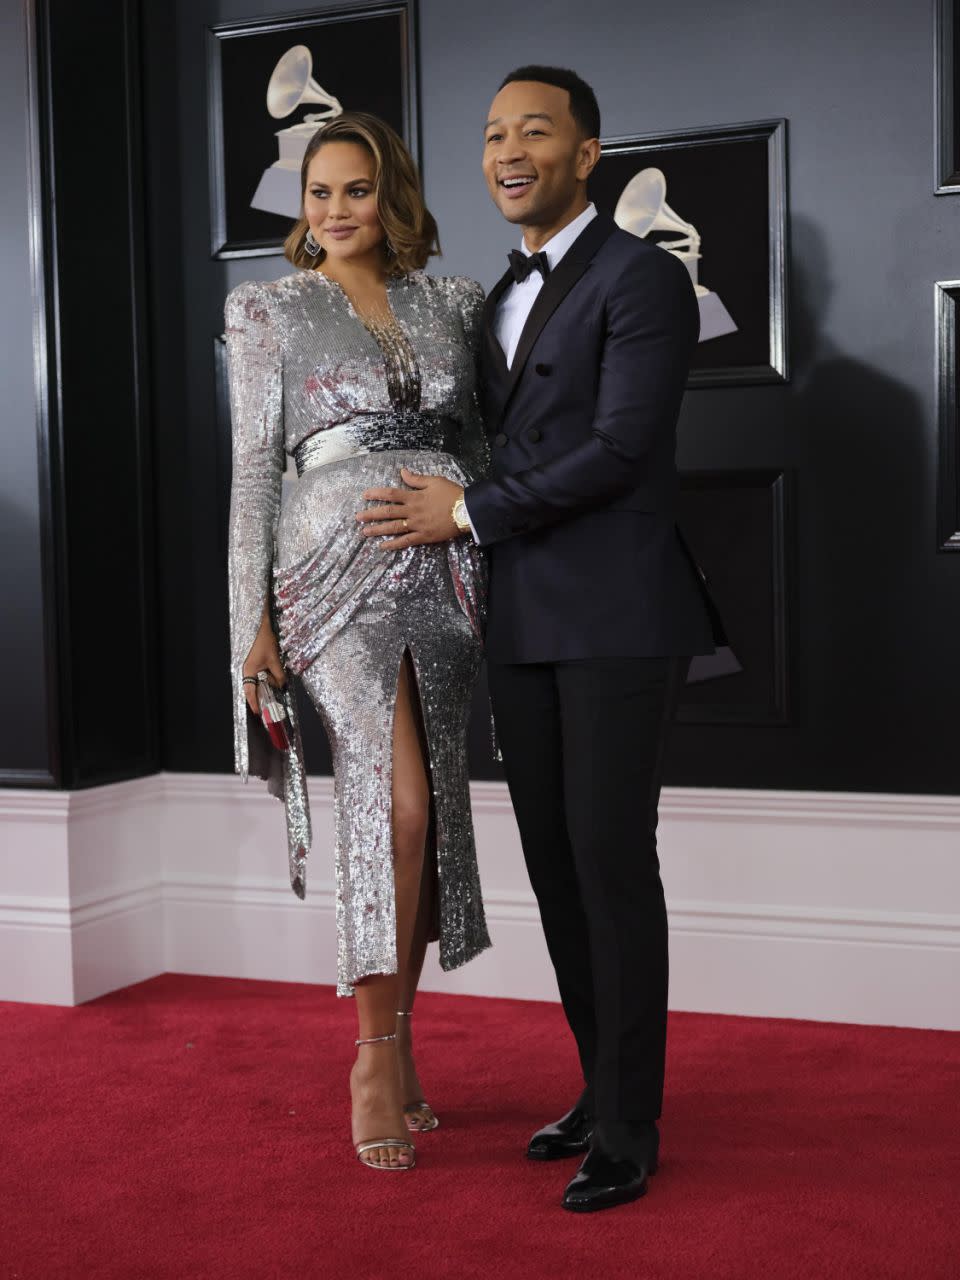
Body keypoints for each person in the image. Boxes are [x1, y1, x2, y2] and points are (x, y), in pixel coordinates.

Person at [356, 67, 720, 1210]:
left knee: (613, 864)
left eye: (536, 132)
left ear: (587, 153)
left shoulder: (644, 278)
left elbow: (619, 450)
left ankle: (631, 1122)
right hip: (518, 616)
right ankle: (595, 1085)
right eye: (493, 133)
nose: (509, 150)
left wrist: (460, 511)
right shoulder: (487, 295)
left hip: (617, 613)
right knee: (558, 870)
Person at [225, 112, 491, 1172]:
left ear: (395, 198)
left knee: (432, 819)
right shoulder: (269, 311)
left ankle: (402, 1036)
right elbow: (254, 469)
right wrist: (251, 622)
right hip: (327, 572)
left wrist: (460, 500)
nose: (335, 210)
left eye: (356, 190)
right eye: (319, 192)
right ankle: (373, 1049)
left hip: (446, 569)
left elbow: (479, 439)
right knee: (398, 803)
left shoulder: (456, 303)